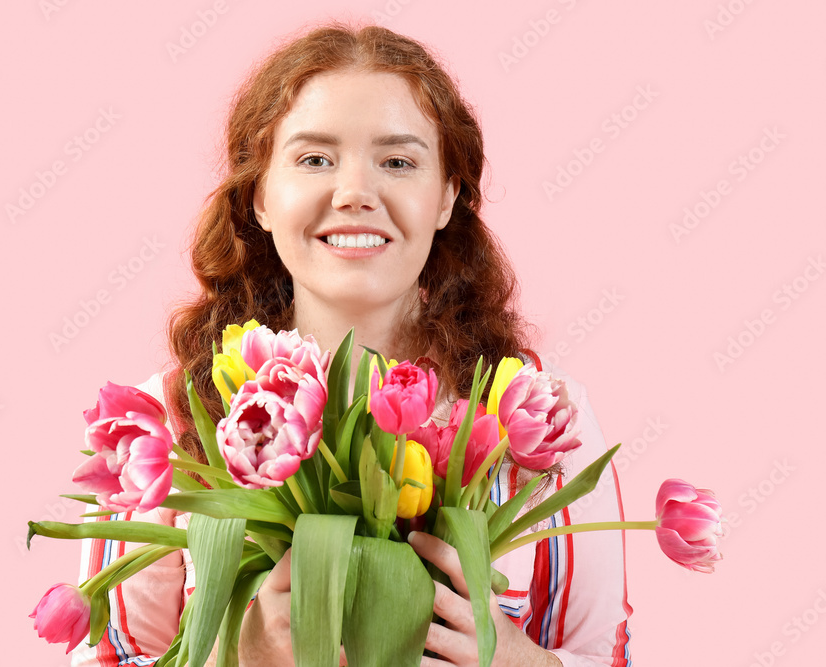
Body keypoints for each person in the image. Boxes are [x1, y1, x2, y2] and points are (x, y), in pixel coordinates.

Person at [70, 22, 632, 667]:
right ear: (259, 196)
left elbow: (608, 655)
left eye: (398, 162)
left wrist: (520, 662)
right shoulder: (166, 420)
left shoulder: (542, 413)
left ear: (447, 195)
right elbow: (108, 654)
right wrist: (240, 657)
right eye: (314, 159)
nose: (356, 193)